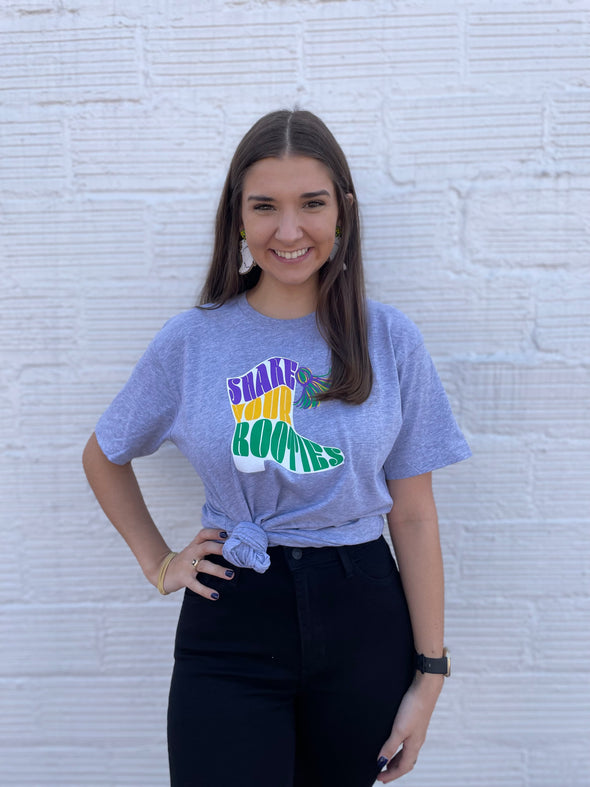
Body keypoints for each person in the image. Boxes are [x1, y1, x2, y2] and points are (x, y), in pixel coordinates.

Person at [82, 109, 471, 787]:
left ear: (343, 211)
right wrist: (159, 562)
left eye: (311, 204)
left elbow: (412, 515)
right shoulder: (192, 341)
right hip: (232, 610)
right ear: (237, 216)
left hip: (361, 615)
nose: (289, 231)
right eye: (265, 206)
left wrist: (429, 674)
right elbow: (104, 454)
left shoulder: (389, 339)